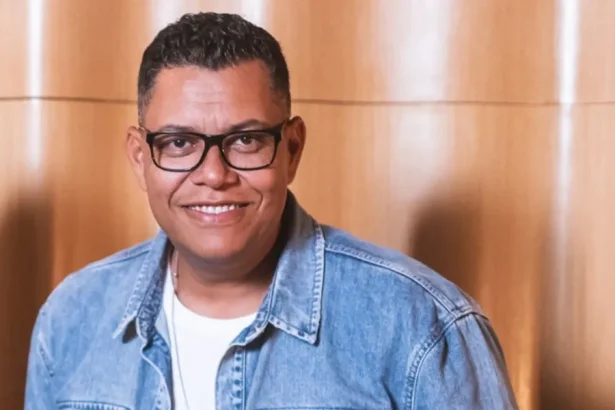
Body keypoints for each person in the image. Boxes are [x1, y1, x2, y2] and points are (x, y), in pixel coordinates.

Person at [25, 12, 518, 410]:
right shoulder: (71, 318)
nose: (213, 174)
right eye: (178, 143)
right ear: (140, 158)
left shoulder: (422, 325)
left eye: (245, 140)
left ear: (292, 149)